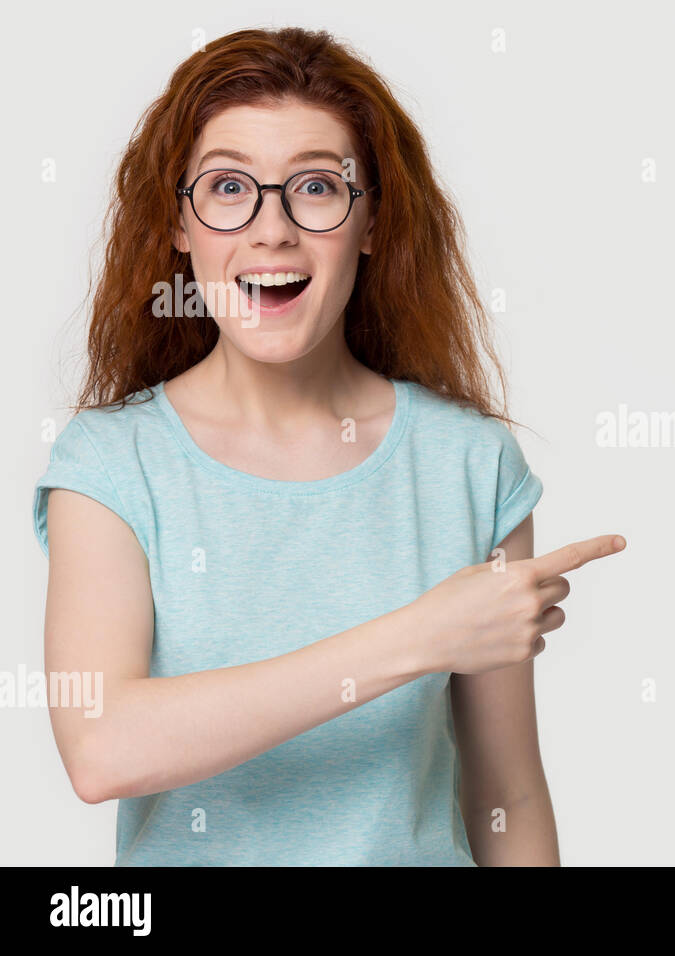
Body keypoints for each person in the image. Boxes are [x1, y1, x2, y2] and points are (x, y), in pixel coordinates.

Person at [32, 26, 625, 866]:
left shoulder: (469, 466)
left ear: (372, 220)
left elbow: (509, 793)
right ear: (178, 225)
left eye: (315, 187)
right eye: (229, 187)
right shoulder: (109, 465)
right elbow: (103, 749)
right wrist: (424, 634)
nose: (272, 231)